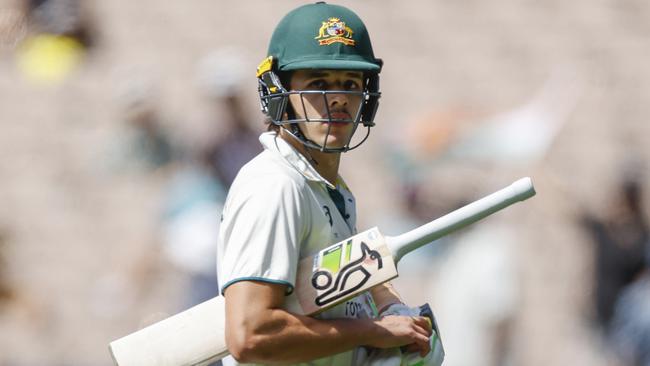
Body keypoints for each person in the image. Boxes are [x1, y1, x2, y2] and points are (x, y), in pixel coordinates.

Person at [217, 2, 442, 365]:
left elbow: (339, 278)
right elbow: (250, 334)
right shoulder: (275, 186)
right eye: (318, 82)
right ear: (278, 92)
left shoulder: (328, 187)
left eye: (350, 84)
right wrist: (375, 331)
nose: (337, 99)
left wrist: (393, 308)